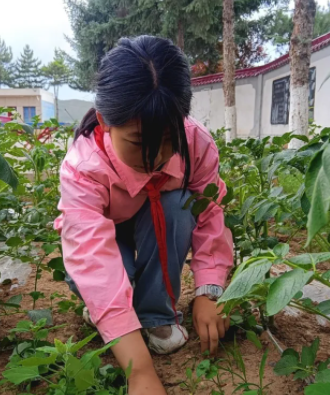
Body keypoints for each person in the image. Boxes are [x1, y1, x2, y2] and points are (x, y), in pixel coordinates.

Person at [54, 35, 234, 394]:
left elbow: (209, 216)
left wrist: (208, 294)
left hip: (153, 222)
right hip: (107, 237)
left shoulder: (197, 144)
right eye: (138, 142)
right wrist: (140, 373)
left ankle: (155, 318)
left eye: (169, 139)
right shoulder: (83, 167)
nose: (155, 156)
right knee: (102, 279)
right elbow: (93, 259)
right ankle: (116, 316)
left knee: (179, 207)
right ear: (105, 121)